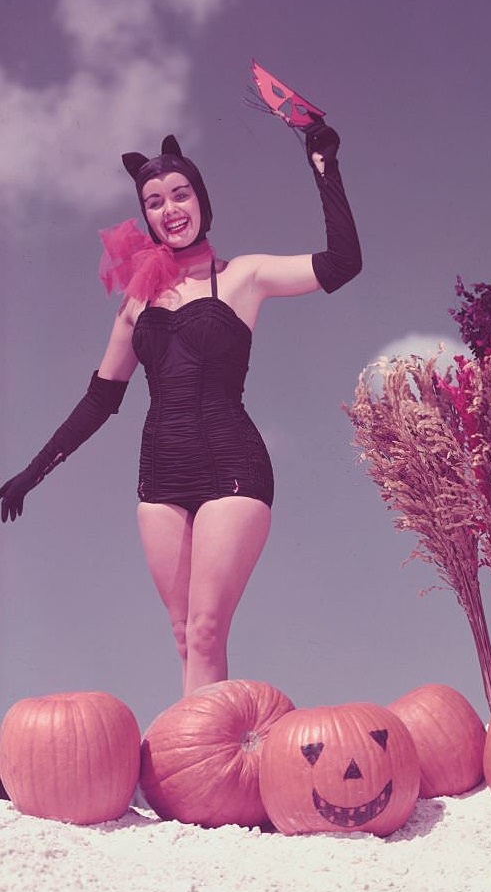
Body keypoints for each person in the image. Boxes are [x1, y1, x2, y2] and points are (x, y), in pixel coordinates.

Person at [0, 121, 361, 696]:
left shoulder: (245, 276)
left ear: (201, 199)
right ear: (144, 215)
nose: (169, 209)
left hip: (233, 465)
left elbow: (342, 263)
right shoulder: (137, 302)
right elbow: (101, 397)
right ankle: (197, 766)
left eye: (180, 193)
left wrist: (325, 167)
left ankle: (202, 771)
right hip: (160, 476)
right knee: (183, 636)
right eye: (154, 201)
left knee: (206, 628)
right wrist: (29, 474)